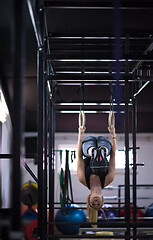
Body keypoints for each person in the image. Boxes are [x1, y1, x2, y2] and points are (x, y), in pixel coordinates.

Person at [77, 122, 116, 225]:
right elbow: (113, 157)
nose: (96, 201)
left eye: (93, 203)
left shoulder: (82, 179)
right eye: (98, 203)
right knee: (106, 151)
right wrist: (113, 135)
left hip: (87, 145)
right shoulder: (109, 179)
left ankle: (93, 152)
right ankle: (102, 152)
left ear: (89, 198)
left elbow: (79, 156)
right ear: (102, 199)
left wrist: (80, 134)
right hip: (105, 144)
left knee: (86, 150)